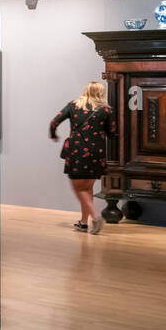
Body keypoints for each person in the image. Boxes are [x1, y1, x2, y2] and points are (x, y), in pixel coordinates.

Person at [50, 81, 117, 234]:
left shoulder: (73, 105)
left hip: (77, 151)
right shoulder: (106, 110)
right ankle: (83, 223)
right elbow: (112, 133)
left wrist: (54, 136)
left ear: (86, 90)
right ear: (101, 93)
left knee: (78, 188)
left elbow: (54, 122)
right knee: (87, 188)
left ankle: (96, 216)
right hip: (97, 153)